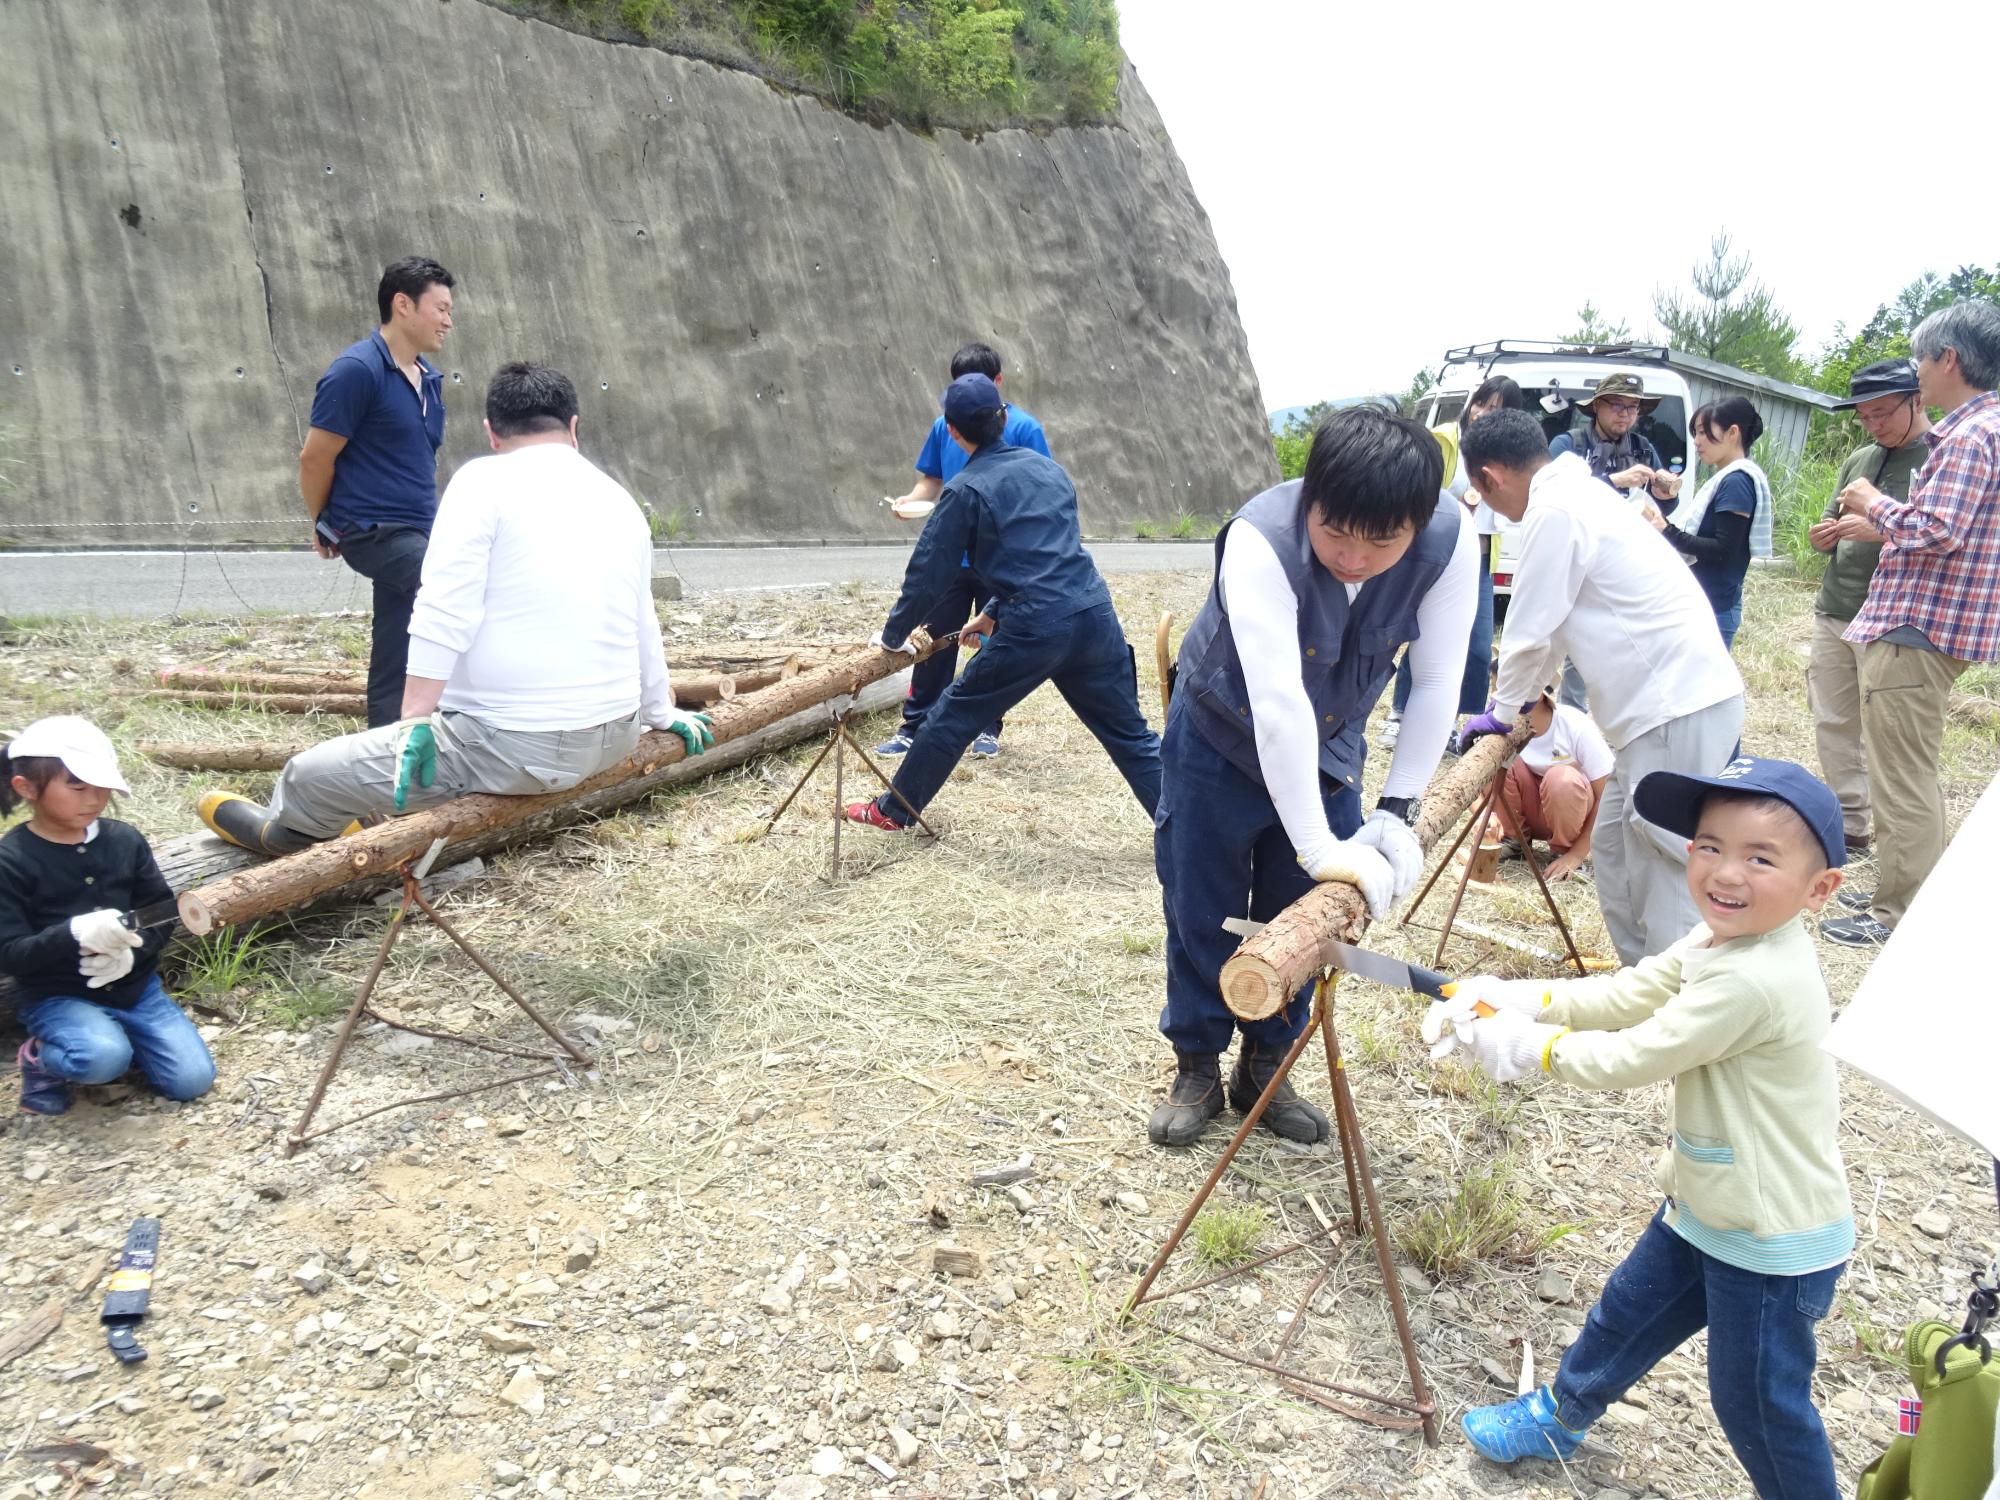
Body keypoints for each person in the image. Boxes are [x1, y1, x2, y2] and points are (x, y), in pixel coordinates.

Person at [1435, 758, 1853, 1499]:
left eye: (1761, 858)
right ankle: (1562, 1415)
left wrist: (1526, 1046)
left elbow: (1637, 1053)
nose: (1726, 872)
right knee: (1627, 1313)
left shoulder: (1755, 979)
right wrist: (1518, 996)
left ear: (1821, 890)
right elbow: (1631, 991)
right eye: (1710, 846)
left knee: (1756, 1402)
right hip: (1710, 1199)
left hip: (1768, 1236)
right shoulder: (1721, 940)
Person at [199, 363, 714, 855]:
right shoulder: (619, 499)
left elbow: (443, 606)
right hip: (615, 736)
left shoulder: (482, 482)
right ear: (573, 426)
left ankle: (288, 831)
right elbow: (641, 617)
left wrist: (414, 722)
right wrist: (660, 712)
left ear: (492, 433)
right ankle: (370, 812)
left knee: (306, 774)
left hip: (511, 749)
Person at [1149, 406, 1476, 1147]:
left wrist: (1396, 806)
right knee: (1201, 903)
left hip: (1330, 747)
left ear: (1418, 522)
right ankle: (1197, 1061)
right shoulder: (1261, 538)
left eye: (1382, 540)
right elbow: (1276, 703)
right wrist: (1319, 842)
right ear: (1311, 500)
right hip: (1219, 735)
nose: (1353, 557)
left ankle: (1268, 1063)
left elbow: (1435, 680)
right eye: (1335, 532)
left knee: (1307, 912)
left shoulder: (1451, 542)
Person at [1458, 410, 1744, 965]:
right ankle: (1640, 982)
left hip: (1674, 704)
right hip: (1667, 708)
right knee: (1613, 847)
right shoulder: (1579, 497)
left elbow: (1529, 623)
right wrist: (1521, 696)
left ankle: (1677, 1005)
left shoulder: (1556, 509)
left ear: (1489, 478)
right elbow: (1556, 628)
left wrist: (1501, 709)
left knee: (1662, 856)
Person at [844, 374, 1160, 833]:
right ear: (1004, 417)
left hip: (1037, 625)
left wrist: (894, 639)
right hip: (1093, 612)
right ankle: (1191, 831)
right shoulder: (1049, 470)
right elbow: (1050, 551)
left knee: (952, 715)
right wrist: (992, 611)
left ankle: (893, 812)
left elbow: (928, 577)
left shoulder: (964, 490)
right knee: (1132, 736)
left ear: (952, 431)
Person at [1825, 301, 2000, 947]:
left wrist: (1875, 503)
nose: (1919, 375)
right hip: (1929, 630)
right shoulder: (1985, 429)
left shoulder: (1971, 433)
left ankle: (1896, 916)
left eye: (1922, 361)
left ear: (1948, 358)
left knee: (1901, 782)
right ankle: (1909, 903)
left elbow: (1936, 529)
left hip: (1917, 628)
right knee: (1910, 774)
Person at [2, 718, 216, 1115]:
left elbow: (160, 910)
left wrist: (133, 955)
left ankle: (119, 1041)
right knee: (100, 1059)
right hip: (58, 994)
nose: (93, 799)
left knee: (192, 1081)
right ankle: (42, 1060)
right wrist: (73, 933)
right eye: (78, 786)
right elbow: (10, 952)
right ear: (26, 788)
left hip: (136, 989)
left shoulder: (124, 840)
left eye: (102, 787)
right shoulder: (11, 860)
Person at [877, 343, 1052, 762]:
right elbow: (931, 480)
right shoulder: (945, 425)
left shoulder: (1024, 429)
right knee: (931, 640)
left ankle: (986, 727)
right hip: (954, 558)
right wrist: (909, 501)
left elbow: (1038, 489)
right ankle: (914, 725)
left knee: (992, 643)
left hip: (1000, 558)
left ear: (998, 384)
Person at [301, 257, 457, 727]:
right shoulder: (357, 371)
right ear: (403, 304)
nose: (449, 321)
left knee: (398, 634)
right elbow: (314, 457)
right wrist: (322, 521)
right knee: (450, 594)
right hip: (371, 530)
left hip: (416, 530)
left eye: (451, 311)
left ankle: (388, 736)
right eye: (441, 308)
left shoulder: (427, 378)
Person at [1804, 359, 1931, 860]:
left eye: (1882, 412)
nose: (1874, 424)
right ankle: (1851, 824)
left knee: (1888, 734)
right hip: (1836, 604)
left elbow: (1940, 534)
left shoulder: (1939, 456)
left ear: (1916, 399)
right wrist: (1823, 536)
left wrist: (1878, 525)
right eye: (1864, 415)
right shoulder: (1860, 458)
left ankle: (1898, 843)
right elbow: (1832, 522)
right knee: (1832, 719)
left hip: (1893, 616)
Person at [1381, 375, 1530, 749]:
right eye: (1482, 402)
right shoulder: (1445, 441)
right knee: (1423, 635)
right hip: (1434, 556)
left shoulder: (1502, 458)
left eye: (1497, 409)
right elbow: (1415, 492)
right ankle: (1399, 714)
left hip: (1477, 562)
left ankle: (1454, 722)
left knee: (1479, 647)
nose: (1483, 413)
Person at [1643, 396, 1768, 650]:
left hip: (1714, 609)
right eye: (1696, 433)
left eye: (1703, 432)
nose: (1697, 442)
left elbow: (1723, 550)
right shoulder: (1728, 478)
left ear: (1733, 433)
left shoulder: (1736, 483)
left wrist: (1667, 530)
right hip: (1708, 604)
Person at [1493, 692, 1612, 881]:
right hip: (1528, 809)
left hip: (1570, 813)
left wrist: (1576, 854)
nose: (1498, 697)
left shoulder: (1575, 724)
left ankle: (1563, 851)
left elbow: (1608, 796)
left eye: (1510, 688)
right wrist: (1486, 818)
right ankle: (1515, 842)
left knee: (1561, 778)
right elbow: (1480, 786)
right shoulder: (1500, 723)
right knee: (1497, 758)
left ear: (1539, 695)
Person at [1549, 372, 1685, 510]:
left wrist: (1667, 497)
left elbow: (1662, 510)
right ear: (1596, 405)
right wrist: (1615, 481)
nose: (1625, 413)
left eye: (1632, 406)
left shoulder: (1643, 448)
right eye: (1616, 404)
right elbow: (1549, 498)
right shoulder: (1569, 446)